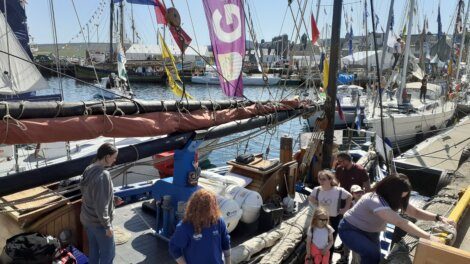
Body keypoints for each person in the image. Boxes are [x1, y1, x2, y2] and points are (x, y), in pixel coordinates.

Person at [338, 173, 456, 264]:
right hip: (351, 229)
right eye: (401, 196)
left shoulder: (394, 199)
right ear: (391, 191)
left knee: (376, 258)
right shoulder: (373, 199)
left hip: (372, 233)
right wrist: (429, 237)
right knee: (371, 254)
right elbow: (400, 222)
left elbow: (415, 212)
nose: (402, 199)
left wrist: (438, 218)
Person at [80, 143, 119, 264]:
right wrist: (107, 227)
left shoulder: (89, 168)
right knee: (108, 254)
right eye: (114, 157)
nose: (115, 160)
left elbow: (86, 192)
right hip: (99, 224)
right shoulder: (103, 175)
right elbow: (101, 206)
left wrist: (112, 199)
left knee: (94, 250)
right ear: (107, 157)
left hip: (87, 219)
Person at [169, 189, 231, 264]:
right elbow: (174, 248)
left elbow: (226, 242)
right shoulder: (184, 227)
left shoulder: (218, 221)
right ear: (194, 208)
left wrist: (228, 261)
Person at [308, 170, 352, 262]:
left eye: (323, 179)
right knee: (316, 239)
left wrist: (345, 209)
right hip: (319, 218)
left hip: (333, 219)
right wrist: (315, 201)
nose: (321, 181)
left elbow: (349, 196)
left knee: (330, 240)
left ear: (330, 179)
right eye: (319, 179)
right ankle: (315, 258)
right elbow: (310, 197)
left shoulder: (338, 191)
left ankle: (328, 259)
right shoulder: (317, 190)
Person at [338, 185, 365, 264]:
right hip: (351, 228)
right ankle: (345, 257)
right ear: (352, 194)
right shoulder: (351, 204)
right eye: (357, 192)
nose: (359, 194)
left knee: (356, 251)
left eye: (361, 192)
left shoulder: (366, 203)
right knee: (347, 245)